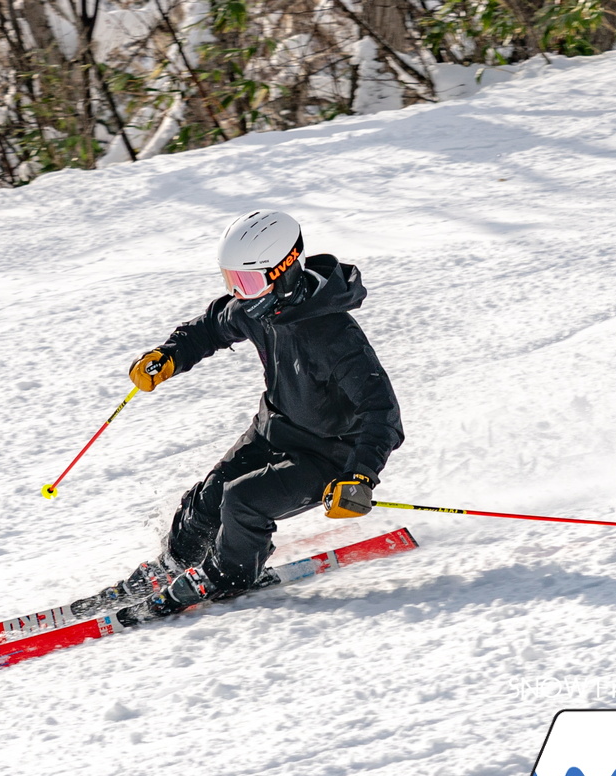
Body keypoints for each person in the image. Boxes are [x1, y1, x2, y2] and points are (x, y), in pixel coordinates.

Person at [113, 210, 404, 624]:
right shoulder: (256, 308)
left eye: (247, 282)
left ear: (285, 270)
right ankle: (176, 563)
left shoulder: (335, 334)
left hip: (329, 455)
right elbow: (212, 326)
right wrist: (170, 355)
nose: (240, 294)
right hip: (275, 429)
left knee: (243, 501)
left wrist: (359, 477)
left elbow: (384, 412)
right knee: (209, 496)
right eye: (232, 282)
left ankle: (228, 574)